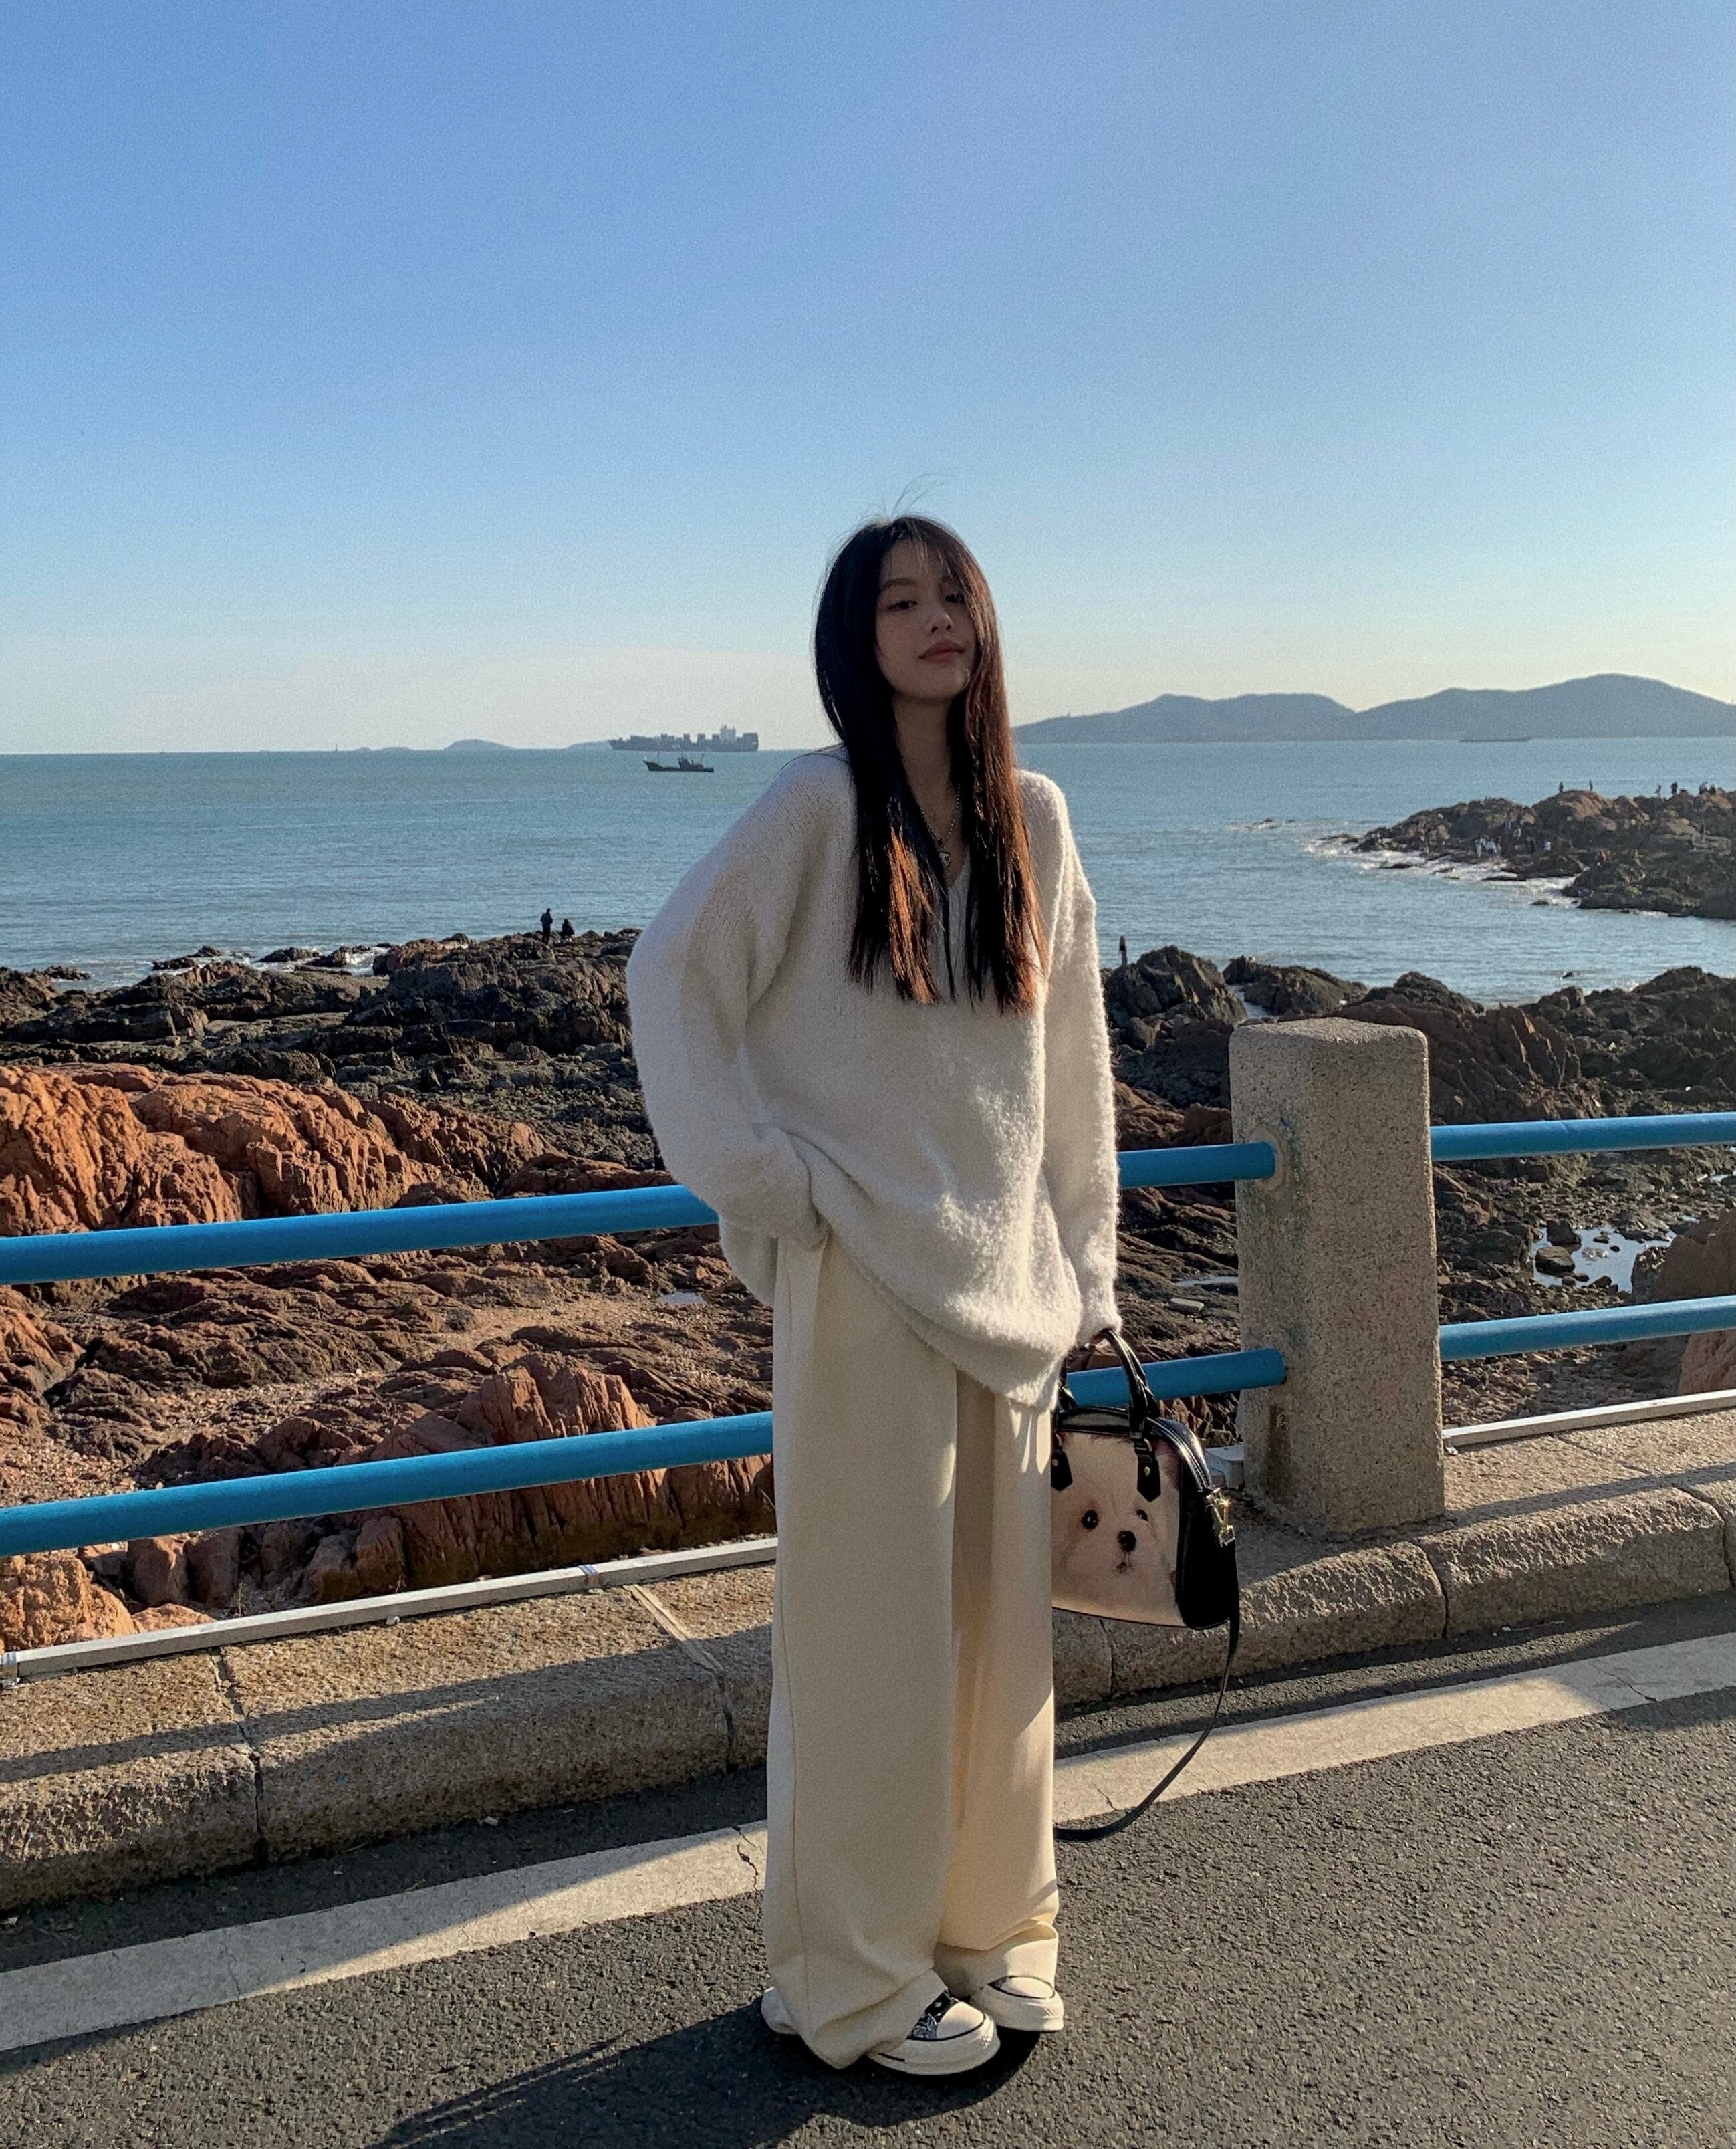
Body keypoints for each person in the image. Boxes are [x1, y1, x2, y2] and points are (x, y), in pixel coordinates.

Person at [625, 516, 1120, 2077]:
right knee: (867, 1647)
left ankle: (983, 1924)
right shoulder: (815, 806)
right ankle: (845, 1970)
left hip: (1013, 1300)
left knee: (1001, 1650)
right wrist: (765, 1182)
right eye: (900, 600)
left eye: (953, 592)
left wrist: (1090, 1269)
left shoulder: (1037, 817)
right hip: (862, 1284)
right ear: (860, 637)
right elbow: (671, 974)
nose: (935, 618)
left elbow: (1072, 1073)